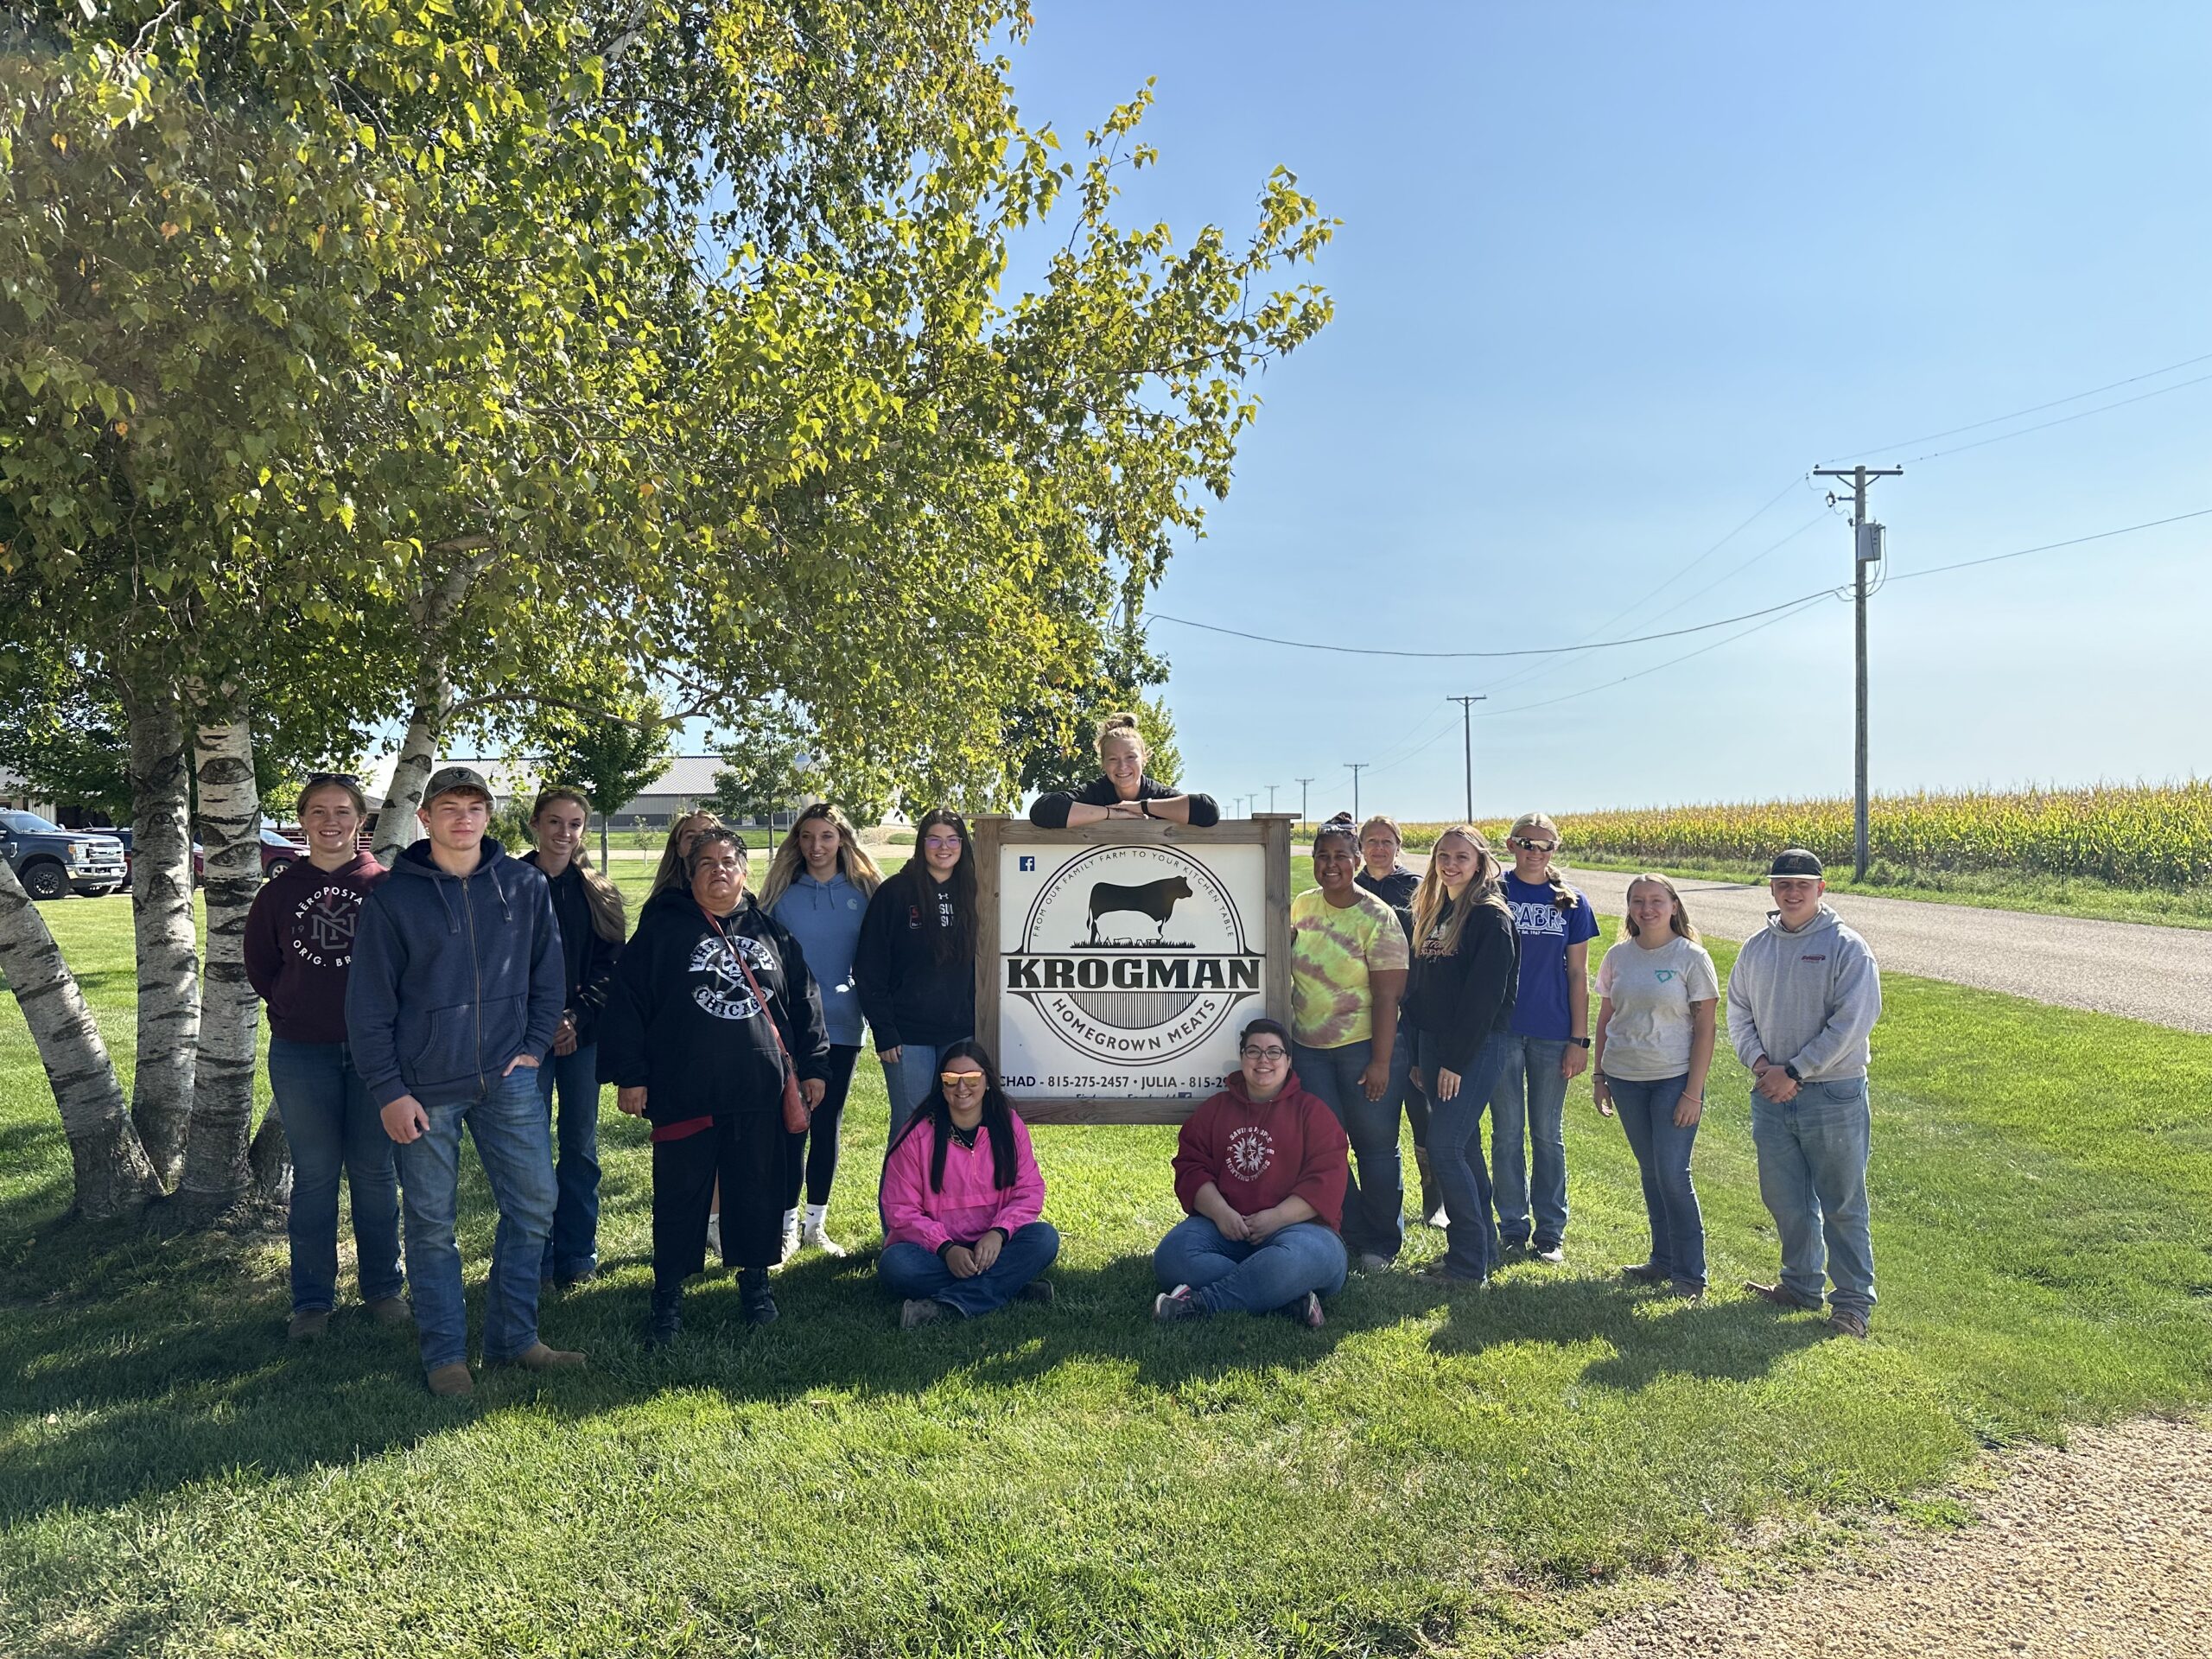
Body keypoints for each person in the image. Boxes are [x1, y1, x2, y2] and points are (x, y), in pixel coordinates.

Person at [346, 766, 575, 1396]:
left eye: (476, 807)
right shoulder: (394, 898)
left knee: (534, 1205)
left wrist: (533, 1047)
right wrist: (390, 1090)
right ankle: (446, 1355)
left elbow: (547, 974)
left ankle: (513, 1337)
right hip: (423, 1088)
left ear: (488, 817)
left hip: (507, 1081)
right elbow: (368, 1005)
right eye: (450, 807)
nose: (463, 818)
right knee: (430, 1226)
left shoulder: (524, 886)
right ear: (426, 818)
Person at [601, 826, 830, 1344]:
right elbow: (628, 1005)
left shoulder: (772, 934)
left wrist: (815, 1067)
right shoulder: (663, 932)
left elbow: (805, 1001)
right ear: (689, 872)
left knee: (755, 1191)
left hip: (758, 1091)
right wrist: (631, 1077)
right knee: (681, 1196)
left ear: (744, 871)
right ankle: (668, 1296)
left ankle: (755, 1285)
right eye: (706, 863)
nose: (718, 871)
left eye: (728, 861)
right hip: (684, 1090)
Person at [245, 772, 403, 1342]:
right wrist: (293, 1006)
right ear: (303, 820)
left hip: (374, 1058)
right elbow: (262, 965)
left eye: (342, 812)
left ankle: (384, 1290)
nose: (330, 822)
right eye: (318, 812)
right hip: (301, 1052)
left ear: (361, 822)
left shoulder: (386, 886)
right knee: (314, 1178)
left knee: (374, 1172)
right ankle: (311, 1302)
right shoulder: (280, 891)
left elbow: (409, 966)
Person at [1726, 849, 1884, 1339]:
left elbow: (1854, 1021)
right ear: (1772, 889)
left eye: (1802, 884)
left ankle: (1853, 1304)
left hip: (1832, 1093)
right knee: (1786, 1199)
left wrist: (1795, 1069)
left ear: (1821, 888)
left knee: (1841, 1202)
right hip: (1771, 1094)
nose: (1792, 892)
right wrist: (1760, 1064)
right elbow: (1738, 1011)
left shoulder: (1846, 947)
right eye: (1782, 884)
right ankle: (1799, 1285)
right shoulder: (1756, 947)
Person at [1153, 1017, 1351, 1327]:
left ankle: (1200, 1305)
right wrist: (1220, 1213)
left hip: (1301, 1232)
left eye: (1274, 1052)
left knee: (1295, 1261)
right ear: (1242, 1057)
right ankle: (1285, 1297)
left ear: (1288, 1061)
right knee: (1172, 1255)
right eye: (1253, 1051)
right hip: (1228, 1229)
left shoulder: (1313, 1113)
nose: (1263, 1060)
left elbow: (1328, 1181)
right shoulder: (1214, 1110)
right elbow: (1191, 1169)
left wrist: (1277, 1217)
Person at [760, 803, 882, 1262]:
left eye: (826, 837)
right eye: (807, 837)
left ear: (842, 841)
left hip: (845, 1024)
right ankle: (787, 1226)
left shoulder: (866, 892)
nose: (816, 846)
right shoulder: (779, 897)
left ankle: (817, 1225)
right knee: (793, 1123)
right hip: (788, 1028)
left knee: (826, 1122)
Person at [1288, 820, 1409, 1269]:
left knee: (1375, 1147)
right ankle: (1352, 1229)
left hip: (1365, 1049)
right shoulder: (1302, 906)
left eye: (1342, 855)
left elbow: (1387, 996)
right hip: (1310, 1049)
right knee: (1325, 1146)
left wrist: (1380, 1062)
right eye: (1323, 855)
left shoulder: (1378, 916)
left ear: (1358, 861)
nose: (1332, 864)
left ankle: (1382, 1241)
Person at [1591, 875, 1719, 1299]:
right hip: (1626, 1078)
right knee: (1652, 1174)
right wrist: (1599, 1076)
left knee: (1672, 1173)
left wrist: (1693, 1092)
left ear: (1674, 906)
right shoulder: (1617, 956)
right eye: (1638, 902)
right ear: (1628, 908)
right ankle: (1662, 1261)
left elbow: (1705, 1028)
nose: (1647, 909)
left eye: (1656, 901)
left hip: (1673, 1079)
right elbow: (1606, 1018)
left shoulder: (1691, 957)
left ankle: (1690, 1275)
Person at [1403, 825, 1518, 1286]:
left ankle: (1468, 1264)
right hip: (1433, 1044)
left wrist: (1453, 1061)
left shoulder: (1490, 917)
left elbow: (1483, 1000)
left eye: (1461, 857)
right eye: (1443, 856)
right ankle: (1482, 1249)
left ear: (1480, 863)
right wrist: (1418, 1053)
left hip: (1473, 1047)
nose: (1451, 863)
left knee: (1446, 1147)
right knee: (1464, 1147)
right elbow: (1423, 989)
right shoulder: (1437, 910)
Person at [520, 787, 626, 1288]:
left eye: (576, 823)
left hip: (582, 1038)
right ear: (536, 824)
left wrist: (577, 1017)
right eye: (555, 822)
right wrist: (544, 1024)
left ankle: (577, 1253)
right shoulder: (510, 883)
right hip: (524, 1040)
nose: (565, 833)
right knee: (531, 1149)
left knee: (580, 1147)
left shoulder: (597, 890)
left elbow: (611, 966)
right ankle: (536, 1257)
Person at [878, 1040, 1059, 1329]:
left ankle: (944, 1307)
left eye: (972, 1079)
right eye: (951, 1080)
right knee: (896, 1264)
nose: (961, 1088)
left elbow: (1029, 1191)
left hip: (993, 1246)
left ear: (987, 1081)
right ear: (941, 1085)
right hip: (936, 1252)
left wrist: (999, 1233)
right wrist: (946, 1249)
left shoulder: (1009, 1126)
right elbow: (900, 1210)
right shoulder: (917, 1133)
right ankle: (1010, 1286)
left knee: (1045, 1238)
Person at [1490, 811, 1599, 1264]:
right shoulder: (1494, 893)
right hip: (1502, 1031)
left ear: (1555, 849)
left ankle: (1550, 1231)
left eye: (1544, 844)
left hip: (1554, 1033)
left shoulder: (1571, 902)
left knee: (1547, 1133)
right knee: (1506, 1132)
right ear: (1511, 846)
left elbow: (1578, 973)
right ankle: (1512, 1226)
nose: (1535, 852)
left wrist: (1580, 1038)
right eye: (1526, 843)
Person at [855, 808, 977, 1132]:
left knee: (957, 1123)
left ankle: (947, 1186)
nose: (943, 847)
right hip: (907, 1037)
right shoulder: (896, 892)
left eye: (953, 839)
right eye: (934, 839)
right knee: (912, 1126)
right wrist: (884, 1028)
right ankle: (899, 1186)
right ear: (921, 844)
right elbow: (869, 966)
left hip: (960, 1032)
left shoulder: (975, 892)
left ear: (964, 845)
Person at [1356, 814, 1438, 1225]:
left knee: (1419, 1104)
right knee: (1372, 1112)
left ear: (1398, 846)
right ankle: (1379, 1203)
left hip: (1410, 1008)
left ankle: (1433, 1197)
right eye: (1371, 841)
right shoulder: (1349, 888)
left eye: (1387, 841)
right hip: (1360, 1010)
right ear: (1361, 847)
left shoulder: (1417, 888)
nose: (1379, 848)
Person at [1027, 710, 1220, 827]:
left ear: (1144, 759)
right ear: (1103, 764)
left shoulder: (1158, 794)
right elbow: (1043, 810)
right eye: (1113, 759)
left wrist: (1140, 807)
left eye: (1131, 757)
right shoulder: (1095, 792)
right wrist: (1112, 814)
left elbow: (1208, 811)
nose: (1122, 766)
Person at [647, 809, 722, 899]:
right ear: (678, 849)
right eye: (691, 837)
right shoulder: (661, 905)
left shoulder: (740, 902)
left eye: (708, 835)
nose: (699, 841)